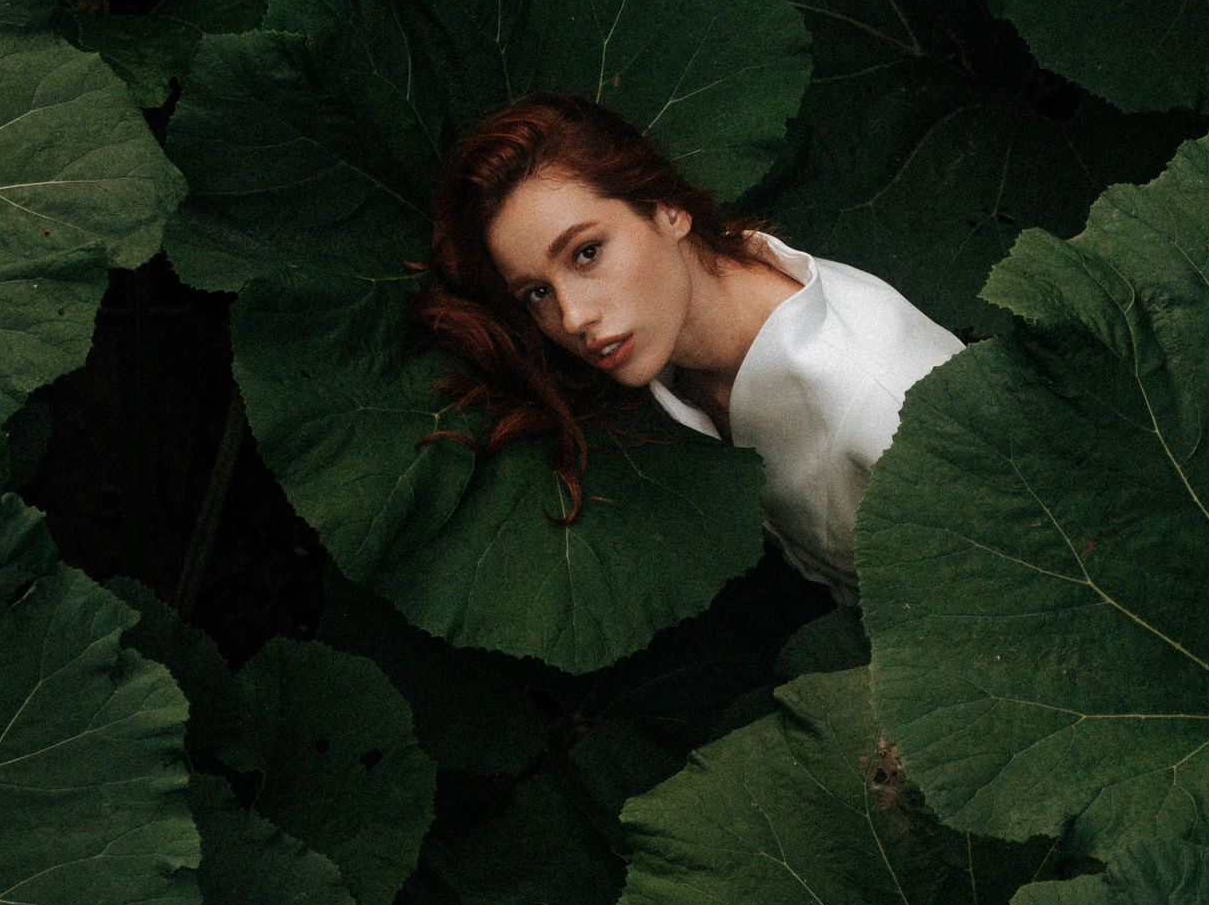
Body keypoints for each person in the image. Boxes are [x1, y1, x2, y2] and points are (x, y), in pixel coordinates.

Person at [411, 93, 962, 606]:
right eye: (536, 292)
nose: (573, 318)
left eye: (586, 253)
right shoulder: (667, 335)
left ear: (669, 209)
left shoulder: (885, 403)